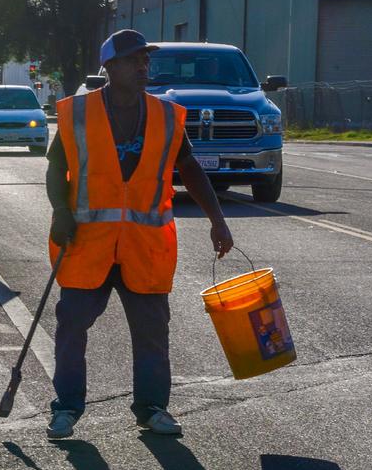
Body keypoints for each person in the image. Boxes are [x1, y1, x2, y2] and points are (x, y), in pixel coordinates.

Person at [43, 29, 233, 440]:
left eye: (145, 59)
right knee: (71, 327)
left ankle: (152, 408)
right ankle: (66, 409)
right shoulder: (79, 112)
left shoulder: (165, 115)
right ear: (110, 67)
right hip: (87, 245)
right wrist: (60, 210)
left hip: (144, 249)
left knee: (152, 333)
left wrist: (217, 219)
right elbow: (56, 166)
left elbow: (191, 169)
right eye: (133, 59)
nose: (143, 66)